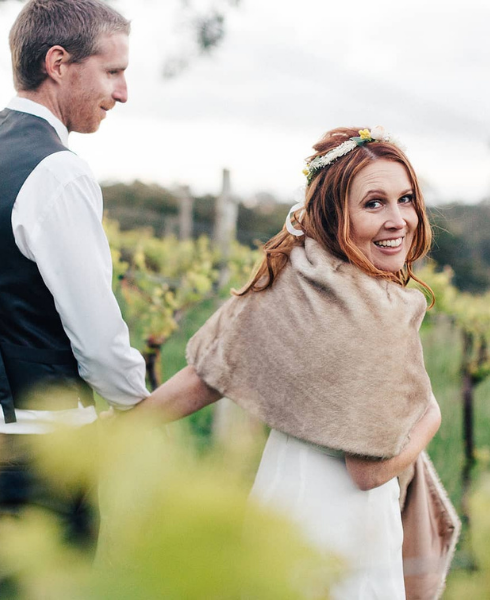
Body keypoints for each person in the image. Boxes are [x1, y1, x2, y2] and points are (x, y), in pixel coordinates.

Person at [122, 126, 460, 599]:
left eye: (405, 199)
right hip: (345, 525)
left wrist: (118, 427)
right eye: (373, 203)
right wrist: (431, 420)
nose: (398, 220)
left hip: (280, 492)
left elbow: (210, 373)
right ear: (332, 213)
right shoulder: (377, 313)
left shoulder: (296, 274)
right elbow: (367, 471)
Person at [0, 0, 149, 594]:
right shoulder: (58, 172)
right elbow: (99, 339)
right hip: (35, 448)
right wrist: (138, 404)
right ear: (59, 62)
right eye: (113, 71)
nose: (123, 92)